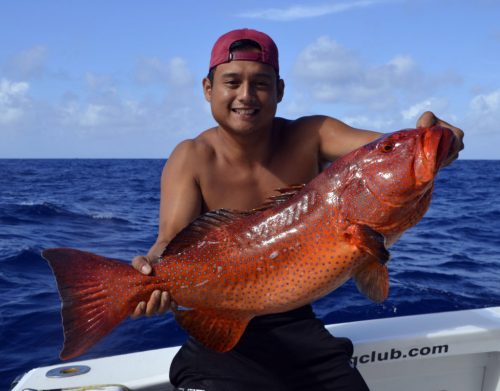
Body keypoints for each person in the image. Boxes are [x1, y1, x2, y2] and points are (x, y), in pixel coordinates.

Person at [131, 28, 464, 391]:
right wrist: (148, 279)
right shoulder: (190, 157)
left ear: (280, 90)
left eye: (261, 83)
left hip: (299, 330)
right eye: (232, 82)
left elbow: (378, 153)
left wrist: (434, 140)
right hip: (219, 342)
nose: (246, 95)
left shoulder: (312, 134)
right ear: (208, 89)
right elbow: (170, 240)